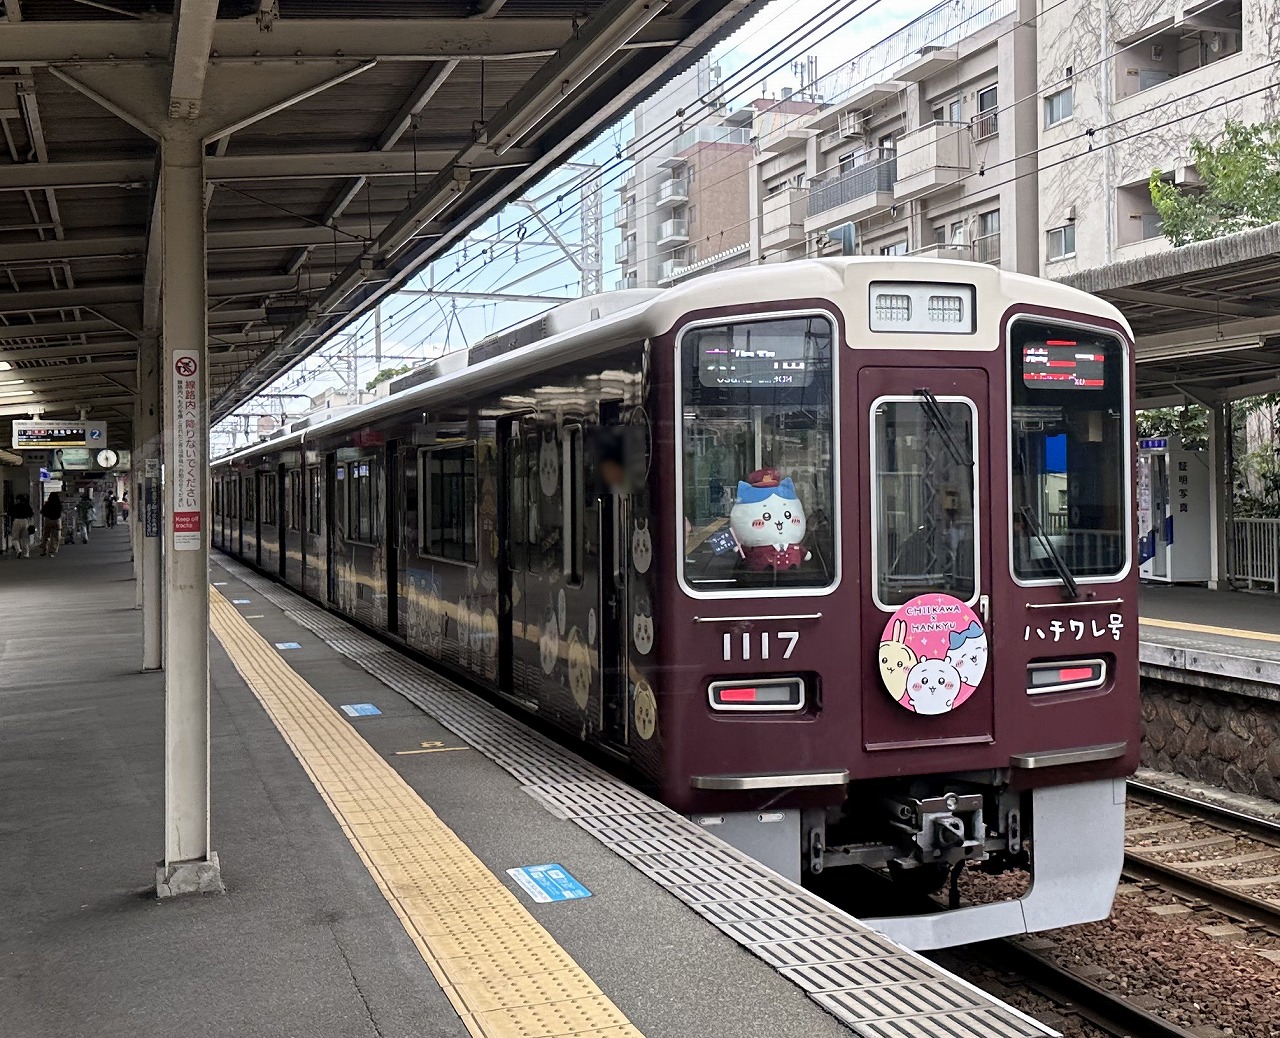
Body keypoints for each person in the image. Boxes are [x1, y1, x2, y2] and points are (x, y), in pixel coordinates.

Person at [40, 492, 63, 557]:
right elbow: (60, 512)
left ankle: (44, 549)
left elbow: (42, 512)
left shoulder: (47, 504)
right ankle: (52, 550)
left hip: (48, 520)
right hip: (56, 521)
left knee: (46, 535)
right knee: (55, 536)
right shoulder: (58, 504)